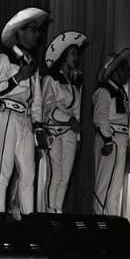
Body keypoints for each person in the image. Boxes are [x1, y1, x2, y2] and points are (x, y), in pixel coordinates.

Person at [0, 7, 49, 220]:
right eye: (32, 30)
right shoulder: (5, 58)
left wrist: (38, 127)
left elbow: (37, 99)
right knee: (3, 171)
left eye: (37, 31)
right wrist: (19, 78)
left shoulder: (32, 63)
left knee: (28, 173)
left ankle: (28, 219)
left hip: (25, 120)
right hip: (8, 114)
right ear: (20, 33)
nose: (37, 35)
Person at [36, 31, 87, 213]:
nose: (76, 57)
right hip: (54, 131)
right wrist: (69, 119)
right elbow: (48, 107)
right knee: (56, 174)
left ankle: (58, 210)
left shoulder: (76, 81)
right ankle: (50, 212)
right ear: (63, 55)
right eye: (73, 53)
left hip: (71, 133)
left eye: (76, 54)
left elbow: (77, 111)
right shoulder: (50, 78)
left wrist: (78, 138)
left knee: (66, 176)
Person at [93, 48, 130, 216]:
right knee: (104, 183)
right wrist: (107, 140)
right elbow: (100, 117)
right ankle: (99, 219)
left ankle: (110, 219)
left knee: (115, 186)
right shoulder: (104, 90)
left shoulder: (120, 92)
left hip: (120, 140)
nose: (128, 73)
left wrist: (126, 144)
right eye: (125, 69)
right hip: (109, 138)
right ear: (116, 71)